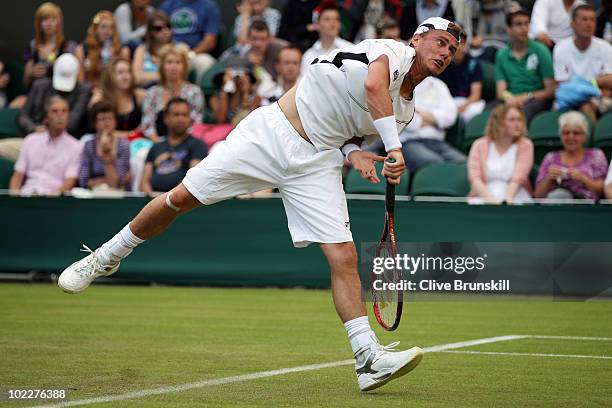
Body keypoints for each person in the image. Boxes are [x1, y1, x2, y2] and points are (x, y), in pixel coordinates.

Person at [58, 16, 466, 393]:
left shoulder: (406, 110)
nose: (445, 53)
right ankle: (105, 257)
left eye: (452, 50)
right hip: (271, 133)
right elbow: (374, 87)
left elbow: (353, 132)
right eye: (440, 42)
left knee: (342, 254)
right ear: (417, 38)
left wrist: (353, 154)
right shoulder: (392, 51)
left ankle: (368, 360)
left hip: (318, 162)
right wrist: (395, 150)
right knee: (180, 198)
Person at [9, 96, 82, 196]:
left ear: (68, 117)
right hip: (27, 195)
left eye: (64, 111)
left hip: (53, 200)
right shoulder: (31, 140)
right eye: (55, 111)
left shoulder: (76, 146)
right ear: (46, 118)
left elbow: (70, 180)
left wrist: (51, 197)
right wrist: (14, 198)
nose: (60, 115)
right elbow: (18, 175)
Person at [494, 6, 556, 121]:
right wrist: (511, 99)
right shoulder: (502, 55)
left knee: (519, 116)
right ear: (508, 28)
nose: (524, 28)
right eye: (519, 24)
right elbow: (500, 91)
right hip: (512, 98)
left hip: (536, 100)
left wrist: (526, 97)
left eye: (527, 24)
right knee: (490, 114)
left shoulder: (541, 50)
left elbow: (551, 90)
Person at [553, 4, 612, 123]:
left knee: (587, 107)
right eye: (584, 19)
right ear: (572, 24)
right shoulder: (561, 48)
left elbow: (610, 83)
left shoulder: (606, 47)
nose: (589, 24)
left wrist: (583, 85)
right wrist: (596, 83)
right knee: (584, 106)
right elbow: (563, 87)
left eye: (592, 20)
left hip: (600, 99)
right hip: (568, 100)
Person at [468, 104, 534, 204]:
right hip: (484, 195)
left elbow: (518, 177)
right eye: (512, 120)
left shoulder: (526, 145)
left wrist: (506, 201)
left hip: (515, 195)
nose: (518, 124)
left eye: (519, 119)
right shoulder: (479, 145)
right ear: (498, 123)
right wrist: (492, 201)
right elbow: (475, 179)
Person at [534, 111, 608, 200]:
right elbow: (537, 196)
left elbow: (603, 191)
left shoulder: (596, 155)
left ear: (585, 136)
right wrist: (549, 178)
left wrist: (583, 179)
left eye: (576, 133)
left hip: (587, 208)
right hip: (555, 207)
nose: (571, 137)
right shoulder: (550, 158)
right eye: (566, 133)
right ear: (560, 136)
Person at [399, 76, 466, 172]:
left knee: (465, 164)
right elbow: (403, 120)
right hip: (409, 142)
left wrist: (418, 113)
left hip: (437, 142)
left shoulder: (438, 85)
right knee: (435, 165)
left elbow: (450, 118)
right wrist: (434, 121)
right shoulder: (398, 83)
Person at [141, 98, 207, 193]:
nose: (181, 119)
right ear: (166, 118)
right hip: (152, 198)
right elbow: (144, 181)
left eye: (185, 115)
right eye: (176, 115)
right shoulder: (156, 146)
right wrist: (152, 199)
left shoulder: (198, 144)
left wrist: (170, 198)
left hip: (180, 199)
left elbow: (194, 179)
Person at [140, 44, 204, 141]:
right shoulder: (152, 93)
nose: (173, 67)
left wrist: (179, 144)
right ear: (162, 66)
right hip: (157, 142)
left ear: (184, 66)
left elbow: (196, 123)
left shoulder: (194, 92)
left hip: (187, 142)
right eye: (169, 62)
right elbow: (147, 125)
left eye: (178, 62)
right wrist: (158, 144)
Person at [18, 53, 92, 137]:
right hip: (34, 135)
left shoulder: (83, 90)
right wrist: (34, 128)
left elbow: (73, 122)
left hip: (65, 139)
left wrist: (50, 130)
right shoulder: (39, 86)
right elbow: (22, 115)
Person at [159, 0, 220, 84]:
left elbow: (210, 39)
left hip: (195, 54)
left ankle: (197, 94)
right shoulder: (167, 5)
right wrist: (174, 49)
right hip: (170, 51)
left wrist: (191, 54)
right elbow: (158, 32)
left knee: (205, 62)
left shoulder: (208, 6)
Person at [23, 2, 77, 92]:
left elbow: (71, 74)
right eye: (44, 19)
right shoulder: (33, 46)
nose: (49, 23)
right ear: (39, 23)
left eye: (53, 19)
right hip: (35, 91)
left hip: (60, 93)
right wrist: (30, 73)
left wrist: (49, 58)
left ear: (59, 22)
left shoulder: (69, 46)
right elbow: (26, 82)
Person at [79, 101, 131, 190]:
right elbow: (83, 181)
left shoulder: (123, 145)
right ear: (94, 123)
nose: (107, 123)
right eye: (102, 119)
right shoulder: (89, 145)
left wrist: (107, 157)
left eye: (110, 118)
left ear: (115, 121)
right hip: (93, 194)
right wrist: (106, 182)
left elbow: (119, 182)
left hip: (118, 195)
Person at [90, 57, 145, 137]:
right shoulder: (99, 99)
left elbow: (147, 125)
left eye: (128, 72)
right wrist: (130, 135)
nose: (126, 76)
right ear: (110, 76)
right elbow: (98, 130)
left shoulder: (140, 96)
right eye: (120, 72)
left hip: (138, 144)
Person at [75, 11, 130, 90]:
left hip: (115, 90)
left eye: (111, 27)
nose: (107, 31)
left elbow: (125, 78)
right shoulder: (82, 49)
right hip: (90, 90)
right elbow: (80, 80)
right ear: (95, 29)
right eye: (103, 27)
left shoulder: (122, 51)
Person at [220, 20, 288, 81]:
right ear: (248, 39)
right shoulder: (245, 51)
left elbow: (294, 52)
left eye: (263, 39)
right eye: (254, 39)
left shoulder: (280, 49)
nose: (258, 43)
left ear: (269, 39)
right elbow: (224, 60)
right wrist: (247, 60)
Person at [438, 39, 486, 122]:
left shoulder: (473, 63)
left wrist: (462, 107)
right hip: (449, 101)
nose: (458, 47)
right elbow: (439, 92)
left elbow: (476, 95)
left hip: (469, 102)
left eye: (461, 44)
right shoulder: (443, 63)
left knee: (474, 112)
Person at [301, 3, 353, 73]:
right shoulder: (308, 55)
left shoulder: (351, 49)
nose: (333, 23)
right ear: (317, 25)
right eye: (327, 19)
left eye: (336, 19)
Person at [132, 11, 175, 87]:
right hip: (146, 91)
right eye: (158, 28)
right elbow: (136, 77)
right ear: (150, 31)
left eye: (168, 26)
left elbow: (181, 76)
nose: (165, 31)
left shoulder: (177, 49)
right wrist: (165, 75)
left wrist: (148, 76)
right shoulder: (142, 49)